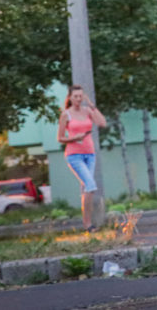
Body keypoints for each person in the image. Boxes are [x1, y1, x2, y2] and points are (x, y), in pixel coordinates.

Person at [57, 84, 107, 232]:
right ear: (70, 98)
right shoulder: (66, 114)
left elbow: (102, 123)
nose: (78, 99)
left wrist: (92, 105)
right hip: (74, 156)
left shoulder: (87, 111)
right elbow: (60, 138)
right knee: (90, 186)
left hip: (90, 154)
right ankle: (88, 225)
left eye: (80, 96)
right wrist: (73, 138)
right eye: (75, 96)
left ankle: (88, 224)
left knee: (89, 188)